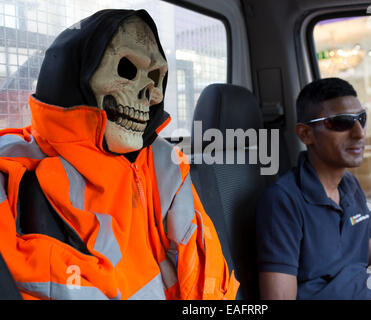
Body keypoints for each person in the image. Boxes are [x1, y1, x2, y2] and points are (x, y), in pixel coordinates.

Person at [0, 9, 239, 300]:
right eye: (127, 70)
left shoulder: (165, 165)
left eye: (156, 78)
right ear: (72, 76)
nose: (154, 95)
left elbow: (206, 281)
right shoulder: (13, 172)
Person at [256, 77, 371, 300]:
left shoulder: (350, 186)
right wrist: (362, 280)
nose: (359, 133)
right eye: (341, 122)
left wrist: (330, 289)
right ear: (306, 134)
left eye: (361, 119)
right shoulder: (283, 201)